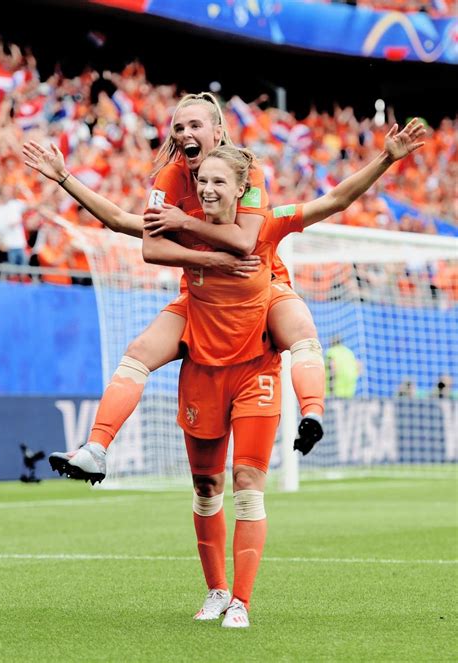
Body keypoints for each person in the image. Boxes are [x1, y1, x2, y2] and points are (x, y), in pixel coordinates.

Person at [148, 123, 425, 628]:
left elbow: (336, 199)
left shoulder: (268, 223)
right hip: (206, 365)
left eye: (220, 182)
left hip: (257, 367)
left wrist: (385, 160)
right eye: (202, 181)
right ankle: (215, 591)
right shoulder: (184, 224)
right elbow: (132, 228)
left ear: (240, 188)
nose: (208, 190)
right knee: (206, 487)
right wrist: (64, 181)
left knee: (248, 481)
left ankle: (241, 603)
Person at [23, 92, 326, 483]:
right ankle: (95, 449)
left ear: (218, 132)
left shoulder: (247, 171)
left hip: (258, 287)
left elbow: (244, 243)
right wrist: (64, 177)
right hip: (200, 296)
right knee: (139, 354)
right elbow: (130, 228)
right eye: (178, 128)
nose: (184, 134)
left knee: (302, 333)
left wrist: (183, 223)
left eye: (194, 125)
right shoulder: (171, 178)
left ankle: (313, 413)